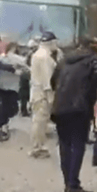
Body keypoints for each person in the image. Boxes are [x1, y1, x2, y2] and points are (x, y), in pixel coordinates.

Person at [49, 37, 97, 192]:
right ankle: (73, 184)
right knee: (77, 144)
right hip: (80, 108)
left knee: (64, 144)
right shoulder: (93, 61)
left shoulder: (64, 60)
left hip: (60, 107)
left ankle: (67, 183)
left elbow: (53, 82)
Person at [29, 31, 60, 159]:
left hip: (36, 91)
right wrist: (51, 97)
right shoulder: (45, 57)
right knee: (40, 122)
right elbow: (48, 79)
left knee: (37, 121)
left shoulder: (38, 54)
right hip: (42, 93)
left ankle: (38, 145)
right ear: (51, 42)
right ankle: (38, 147)